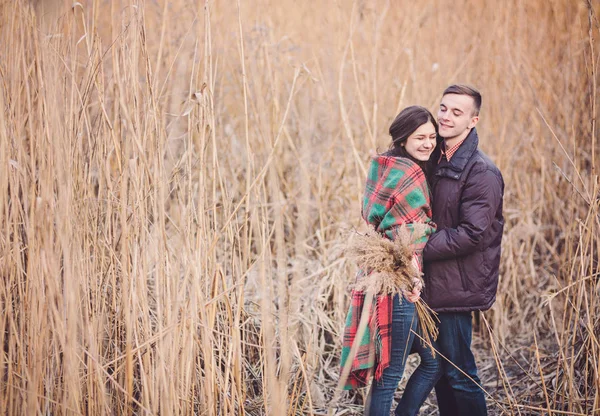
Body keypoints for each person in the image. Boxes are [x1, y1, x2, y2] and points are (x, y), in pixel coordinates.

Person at [339, 106, 442, 416]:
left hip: (378, 272)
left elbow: (379, 221)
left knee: (433, 360)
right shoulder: (411, 173)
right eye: (420, 138)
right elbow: (408, 234)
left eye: (432, 137)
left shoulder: (383, 166)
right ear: (402, 138)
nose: (428, 144)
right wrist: (415, 278)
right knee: (389, 374)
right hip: (396, 281)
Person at [422, 85, 505, 416]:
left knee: (458, 373)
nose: (445, 116)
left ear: (473, 121)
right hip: (434, 280)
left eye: (457, 112)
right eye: (443, 108)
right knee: (441, 372)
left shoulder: (481, 172)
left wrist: (415, 248)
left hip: (458, 284)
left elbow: (472, 234)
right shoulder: (433, 157)